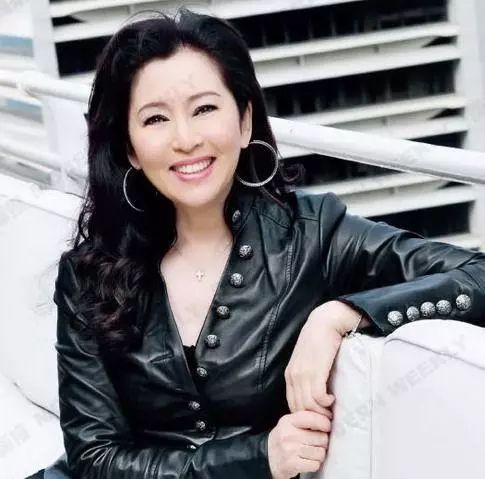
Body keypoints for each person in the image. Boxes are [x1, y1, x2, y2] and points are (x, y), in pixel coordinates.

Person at [27, 7, 485, 479]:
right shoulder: (90, 271)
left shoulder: (312, 233)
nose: (185, 139)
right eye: (156, 119)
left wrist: (340, 314)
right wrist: (259, 456)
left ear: (244, 121)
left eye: (205, 109)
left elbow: (478, 275)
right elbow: (94, 459)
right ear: (130, 149)